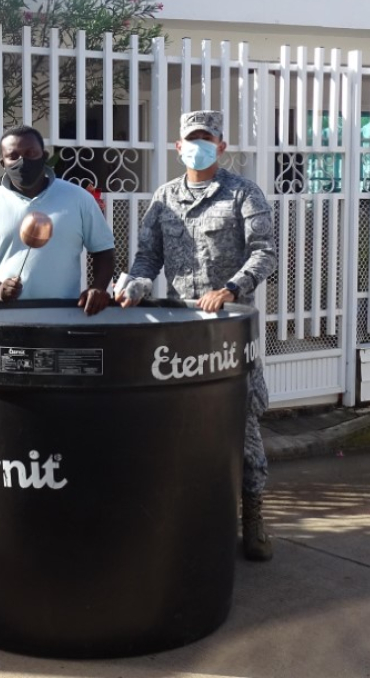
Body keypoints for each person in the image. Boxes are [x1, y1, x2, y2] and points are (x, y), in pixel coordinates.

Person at [115, 110, 277, 561]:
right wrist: (136, 285)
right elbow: (147, 257)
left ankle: (253, 515)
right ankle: (189, 515)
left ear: (221, 146)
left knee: (243, 419)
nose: (197, 146)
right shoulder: (164, 197)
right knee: (180, 421)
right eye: (191, 139)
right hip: (181, 331)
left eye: (206, 138)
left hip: (229, 326)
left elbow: (264, 252)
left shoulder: (243, 193)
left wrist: (231, 289)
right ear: (178, 146)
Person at [0, 125, 116, 314]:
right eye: (13, 156)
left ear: (44, 156)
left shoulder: (79, 198)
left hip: (62, 317)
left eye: (31, 153)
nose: (22, 161)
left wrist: (98, 287)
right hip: (2, 318)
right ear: (3, 163)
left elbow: (104, 250)